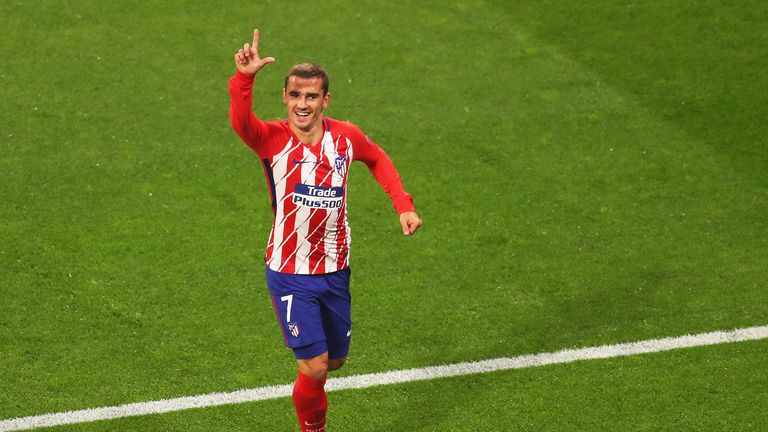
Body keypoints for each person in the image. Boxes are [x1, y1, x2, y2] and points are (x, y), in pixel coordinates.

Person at [229, 28, 422, 432]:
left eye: (311, 96)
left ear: (325, 100)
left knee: (334, 361)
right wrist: (245, 79)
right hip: (289, 270)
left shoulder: (346, 137)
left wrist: (402, 204)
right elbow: (241, 122)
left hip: (335, 267)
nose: (303, 104)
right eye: (295, 95)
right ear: (284, 97)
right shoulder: (272, 139)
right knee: (315, 366)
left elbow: (377, 157)